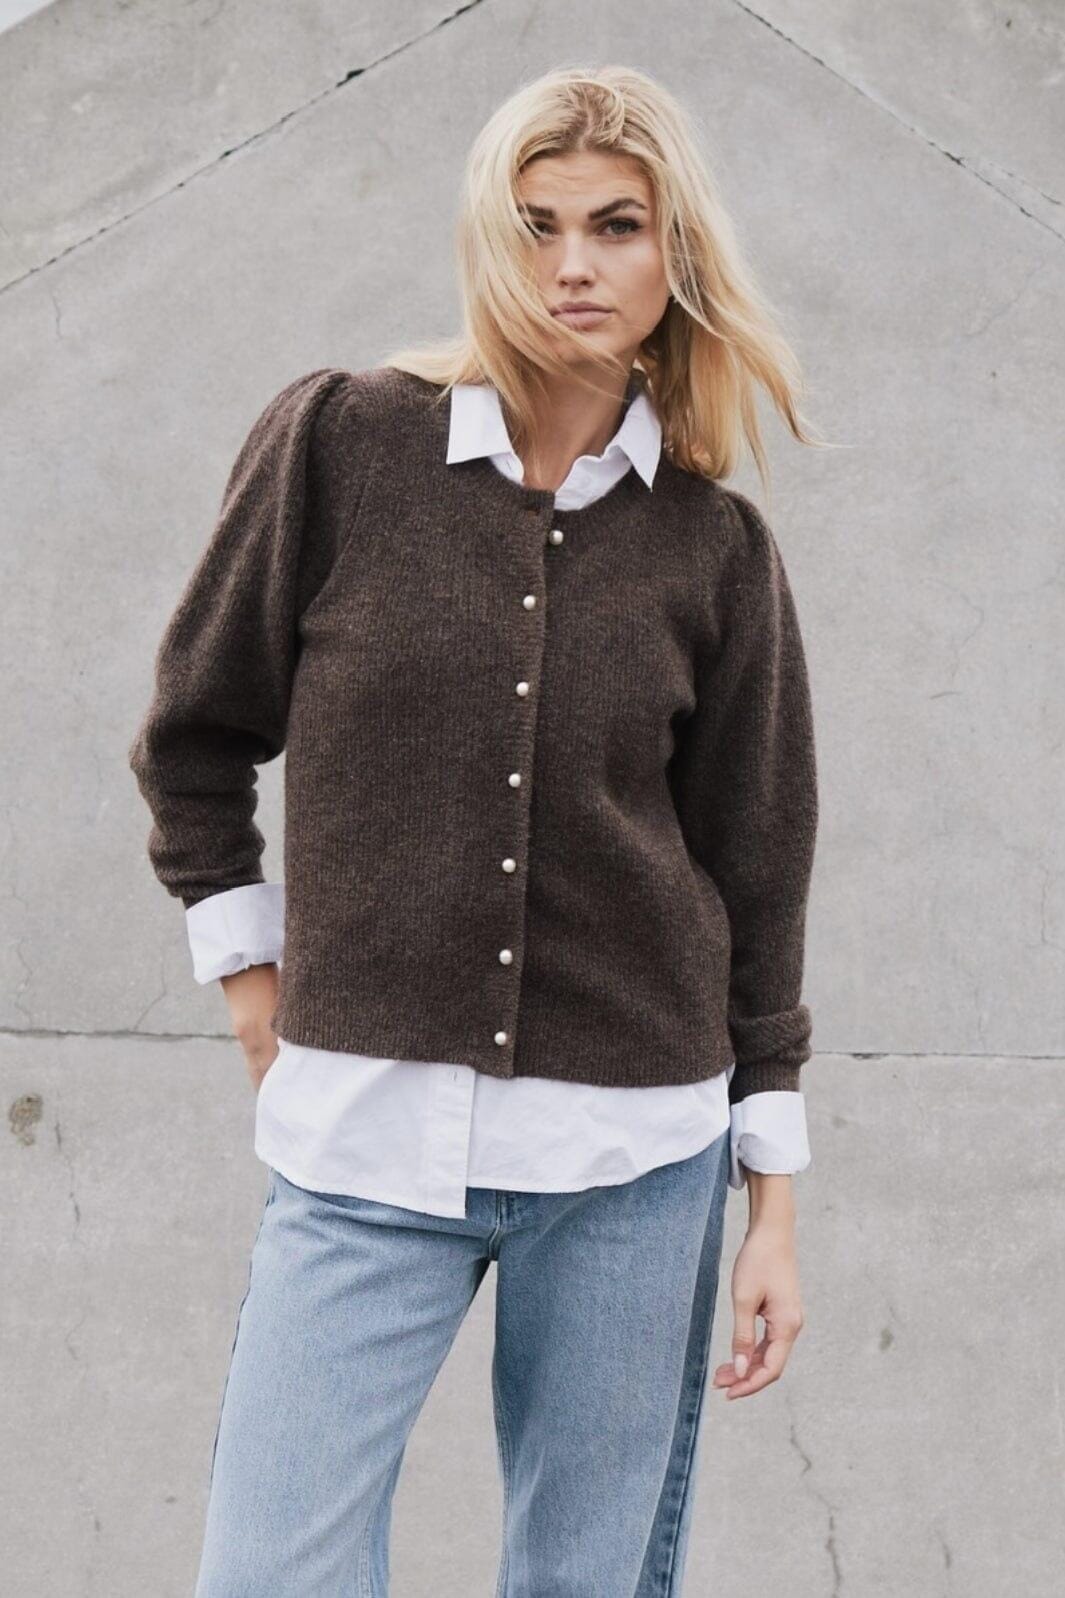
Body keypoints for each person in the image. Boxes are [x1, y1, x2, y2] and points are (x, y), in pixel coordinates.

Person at [129, 63, 822, 1598]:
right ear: (488, 242)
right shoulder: (340, 444)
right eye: (536, 225)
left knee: (584, 1580)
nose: (572, 264)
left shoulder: (711, 546)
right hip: (363, 1138)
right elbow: (193, 733)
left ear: (673, 255)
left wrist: (771, 1203)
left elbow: (756, 871)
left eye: (615, 226)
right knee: (272, 1572)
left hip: (635, 1156)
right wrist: (252, 986)